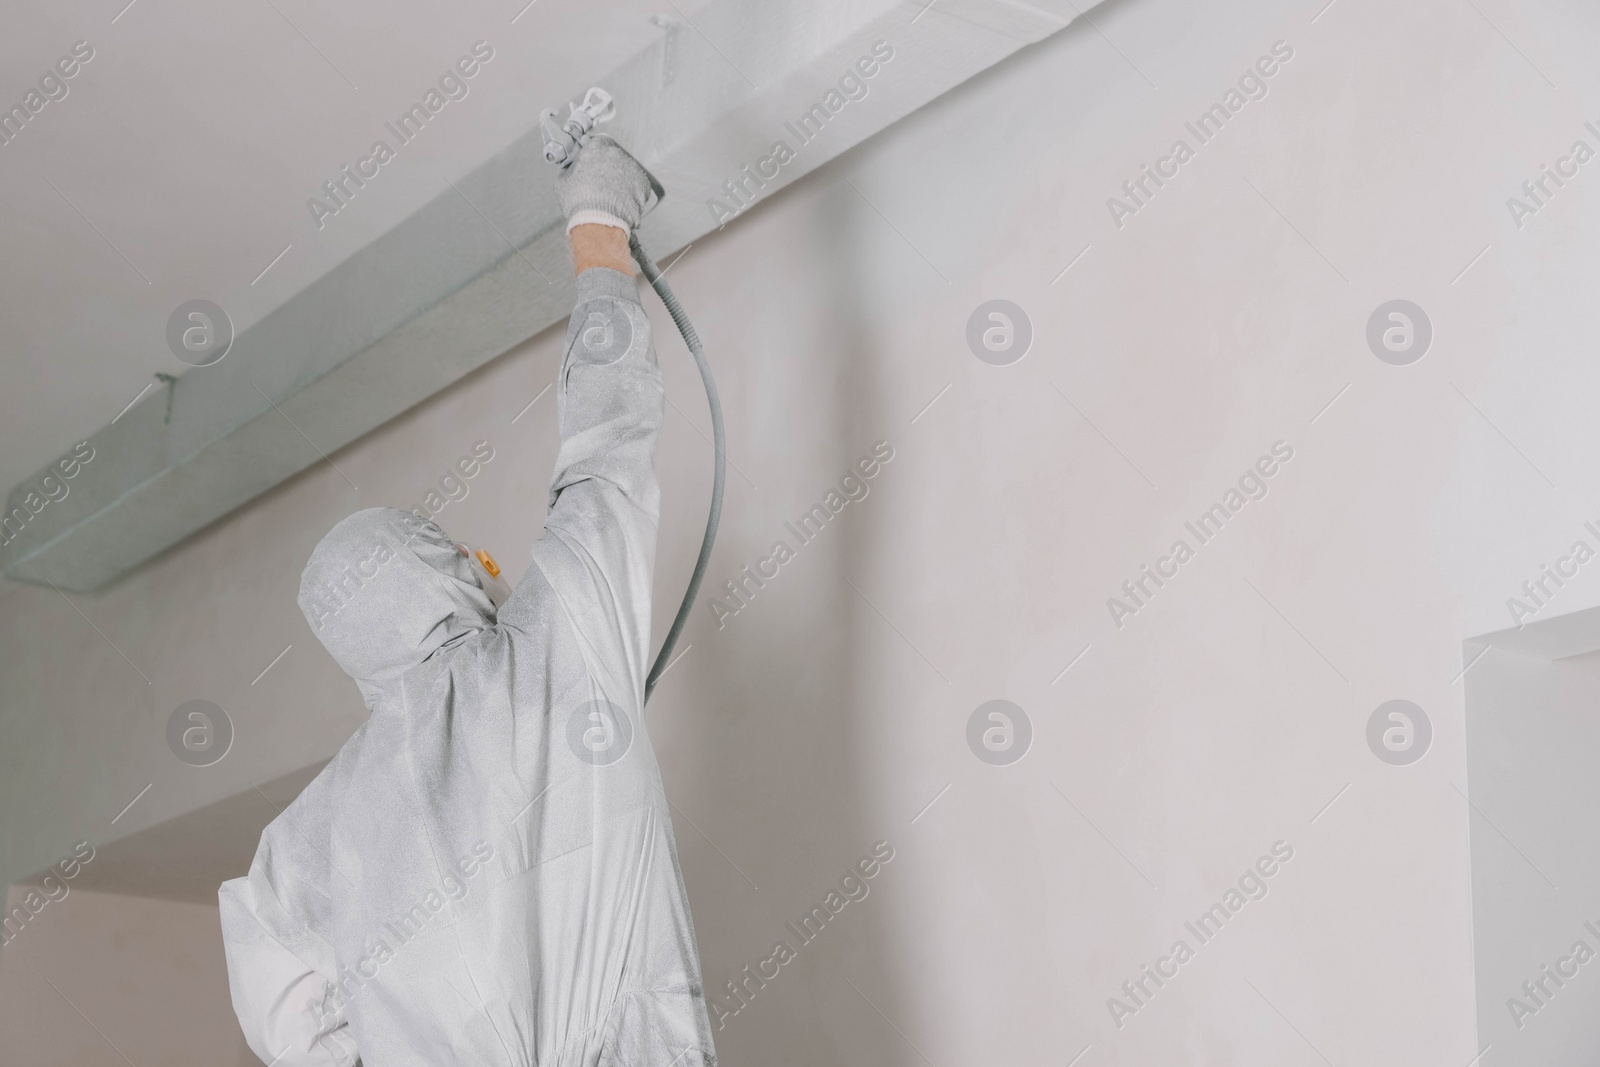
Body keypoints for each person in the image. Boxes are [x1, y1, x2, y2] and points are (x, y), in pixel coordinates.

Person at [219, 135, 717, 1067]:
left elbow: (286, 1018)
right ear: (443, 573)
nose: (489, 566)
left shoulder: (305, 839)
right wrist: (598, 224)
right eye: (466, 555)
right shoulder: (545, 652)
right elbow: (606, 451)